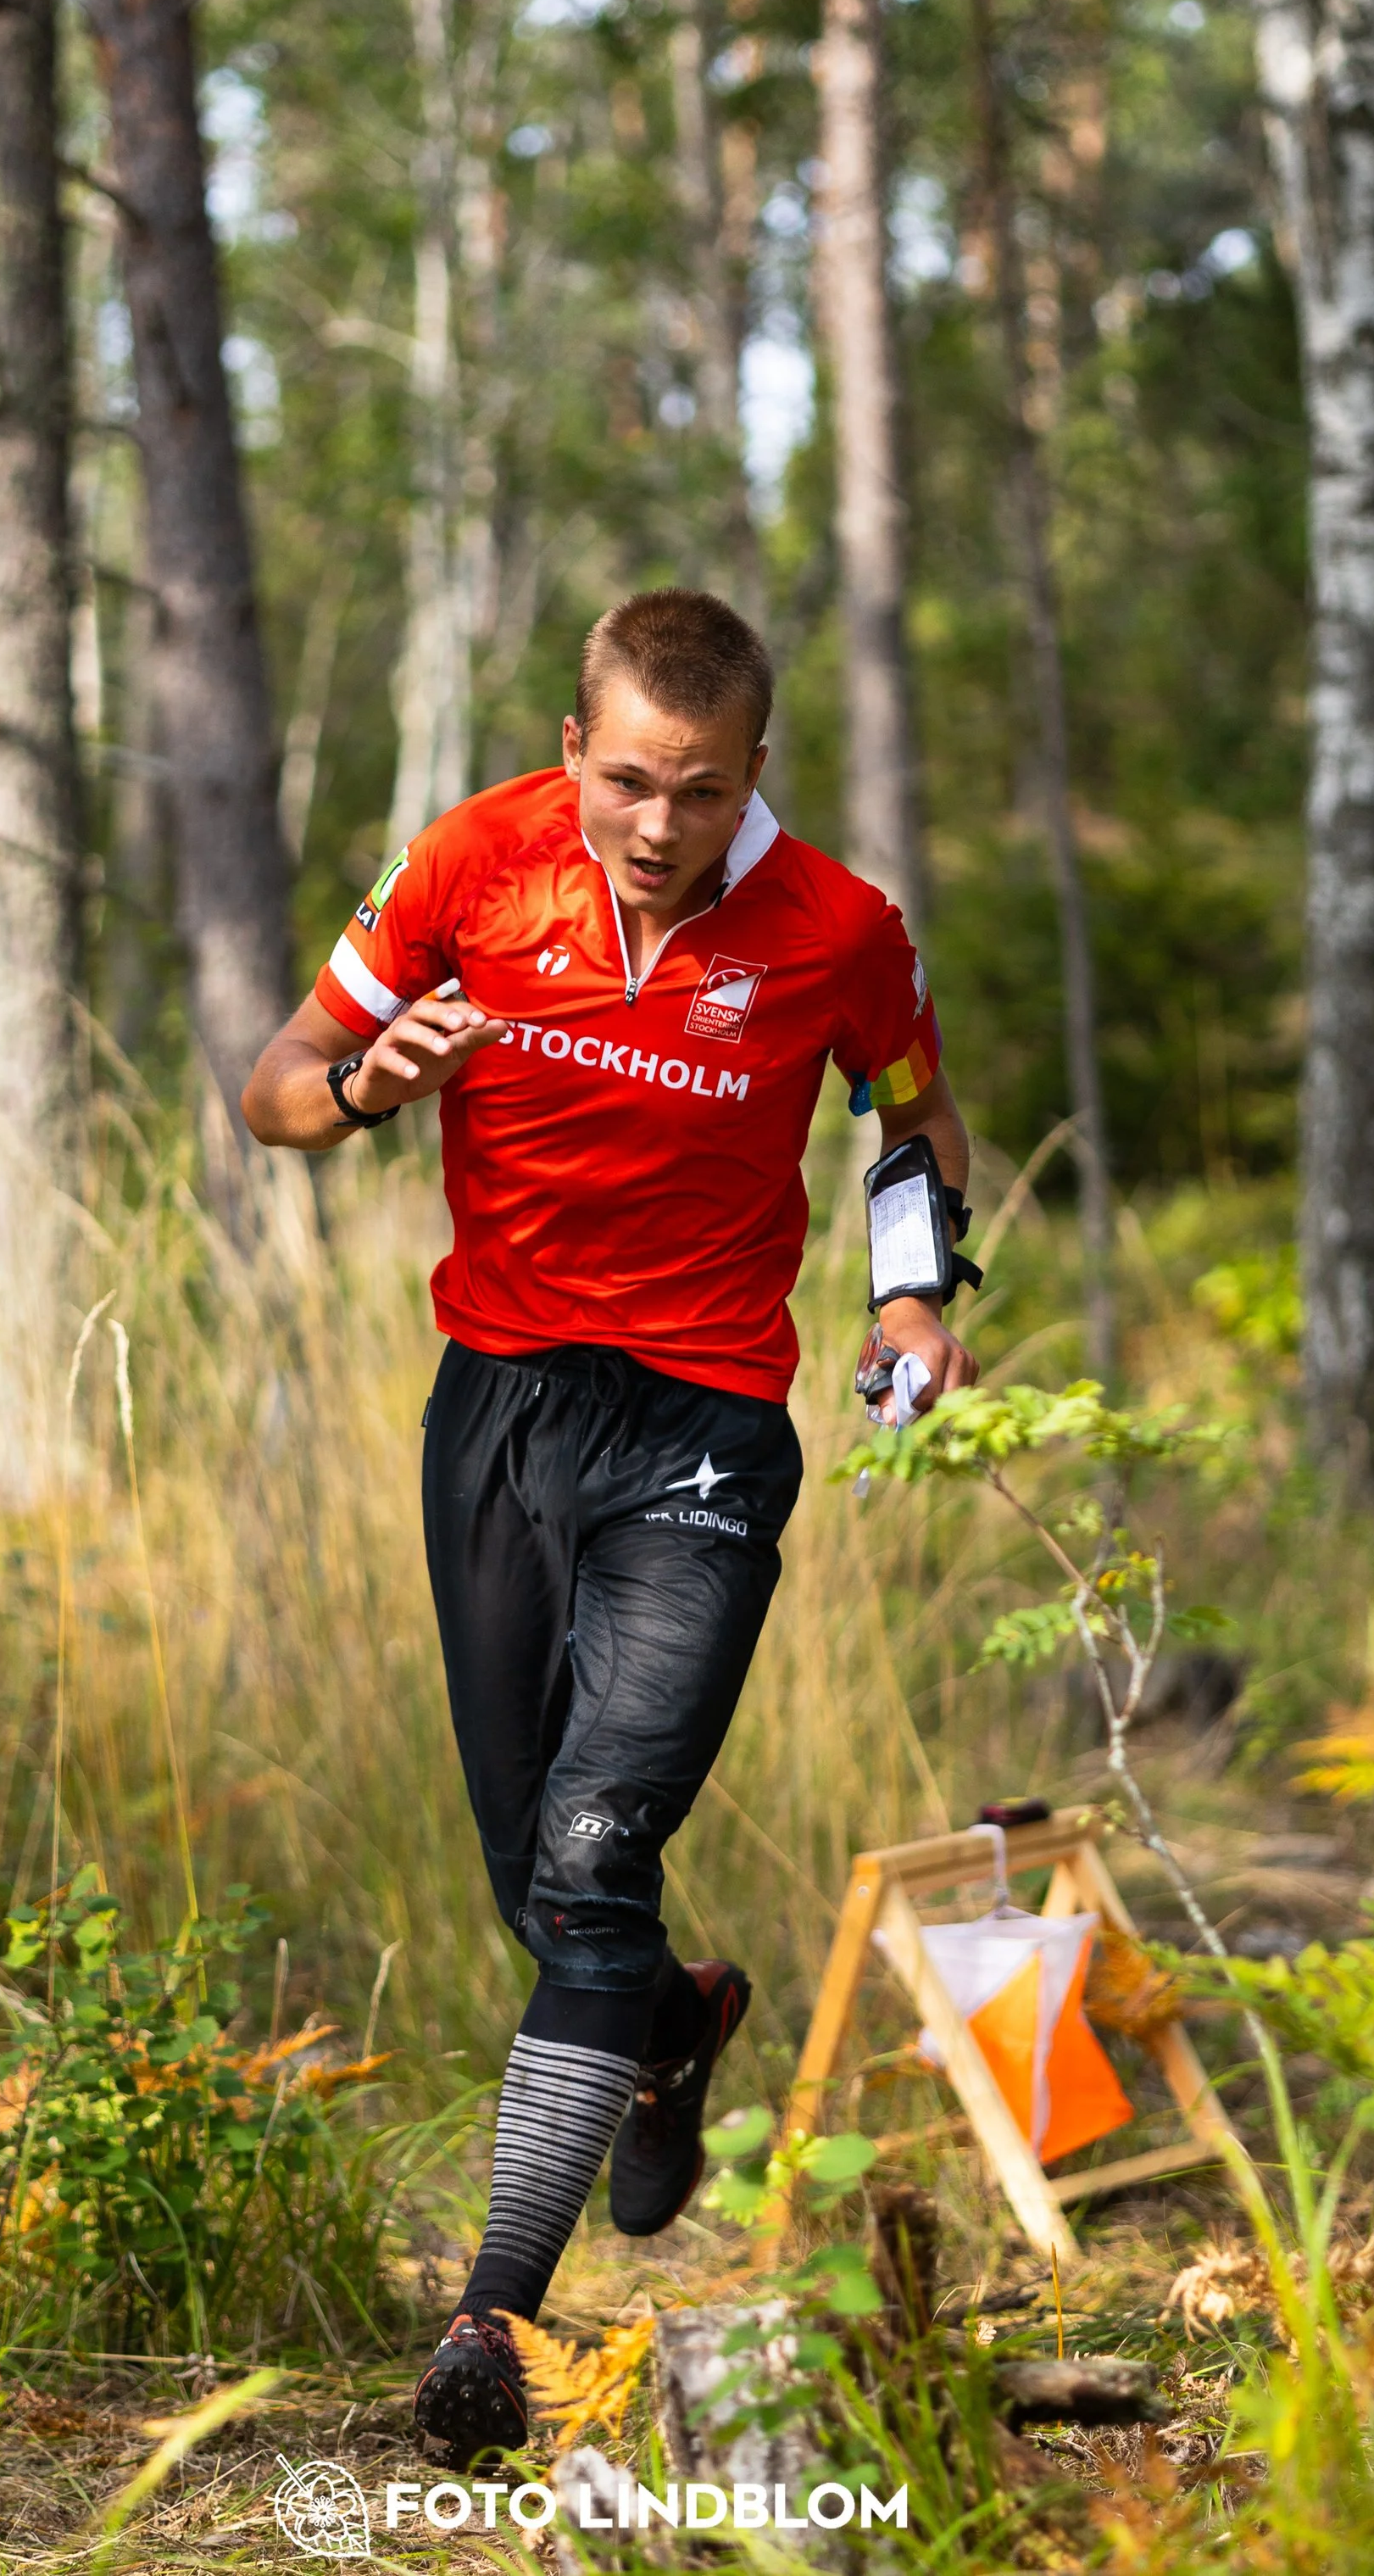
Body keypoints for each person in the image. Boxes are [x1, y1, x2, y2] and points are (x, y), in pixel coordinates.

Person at [240, 589, 981, 2467]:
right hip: (496, 1405)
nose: (659, 824)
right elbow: (272, 1092)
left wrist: (909, 1300)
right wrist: (360, 1085)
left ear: (755, 778)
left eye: (703, 789)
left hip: (707, 1421)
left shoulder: (836, 926)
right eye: (629, 780)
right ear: (573, 748)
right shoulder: (466, 864)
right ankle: (675, 2015)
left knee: (590, 1839)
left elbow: (909, 1110)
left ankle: (490, 2310)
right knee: (534, 1874)